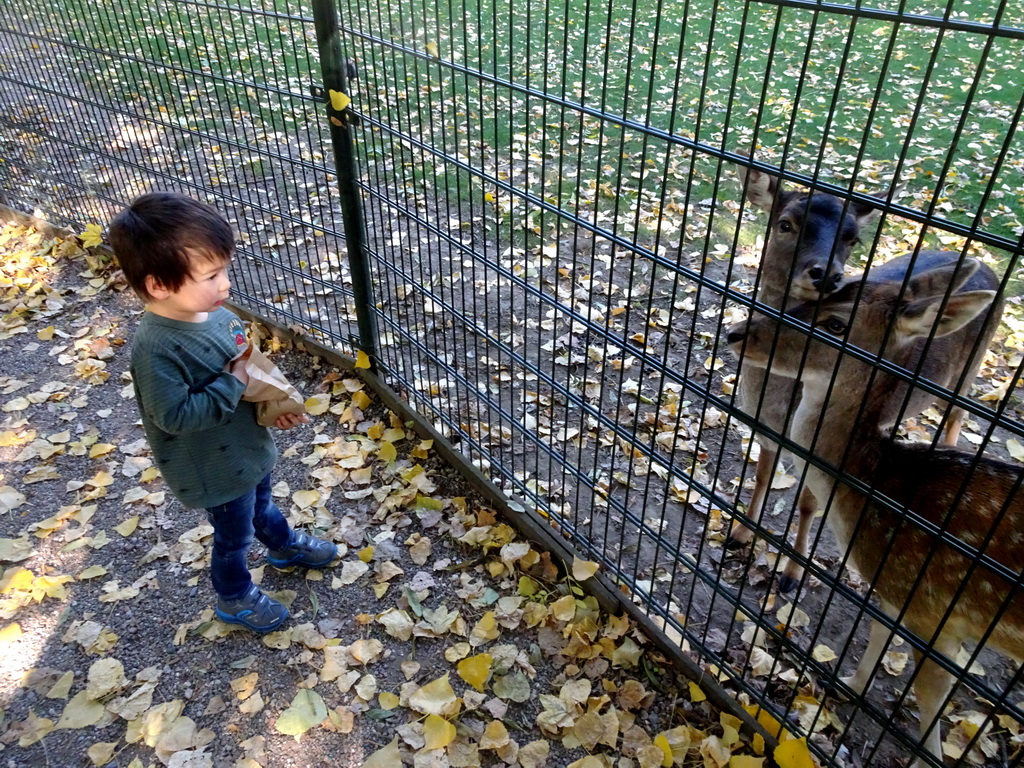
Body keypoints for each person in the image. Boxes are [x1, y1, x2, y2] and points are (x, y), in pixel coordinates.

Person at [107, 191, 337, 633]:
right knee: (234, 537)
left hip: (244, 449)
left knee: (262, 504)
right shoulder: (157, 348)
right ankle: (233, 596)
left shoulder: (214, 313)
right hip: (212, 468)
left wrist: (273, 408)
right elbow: (174, 416)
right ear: (159, 285)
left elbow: (246, 367)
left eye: (224, 270)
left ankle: (284, 547)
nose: (225, 283)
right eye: (211, 274)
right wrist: (231, 382)